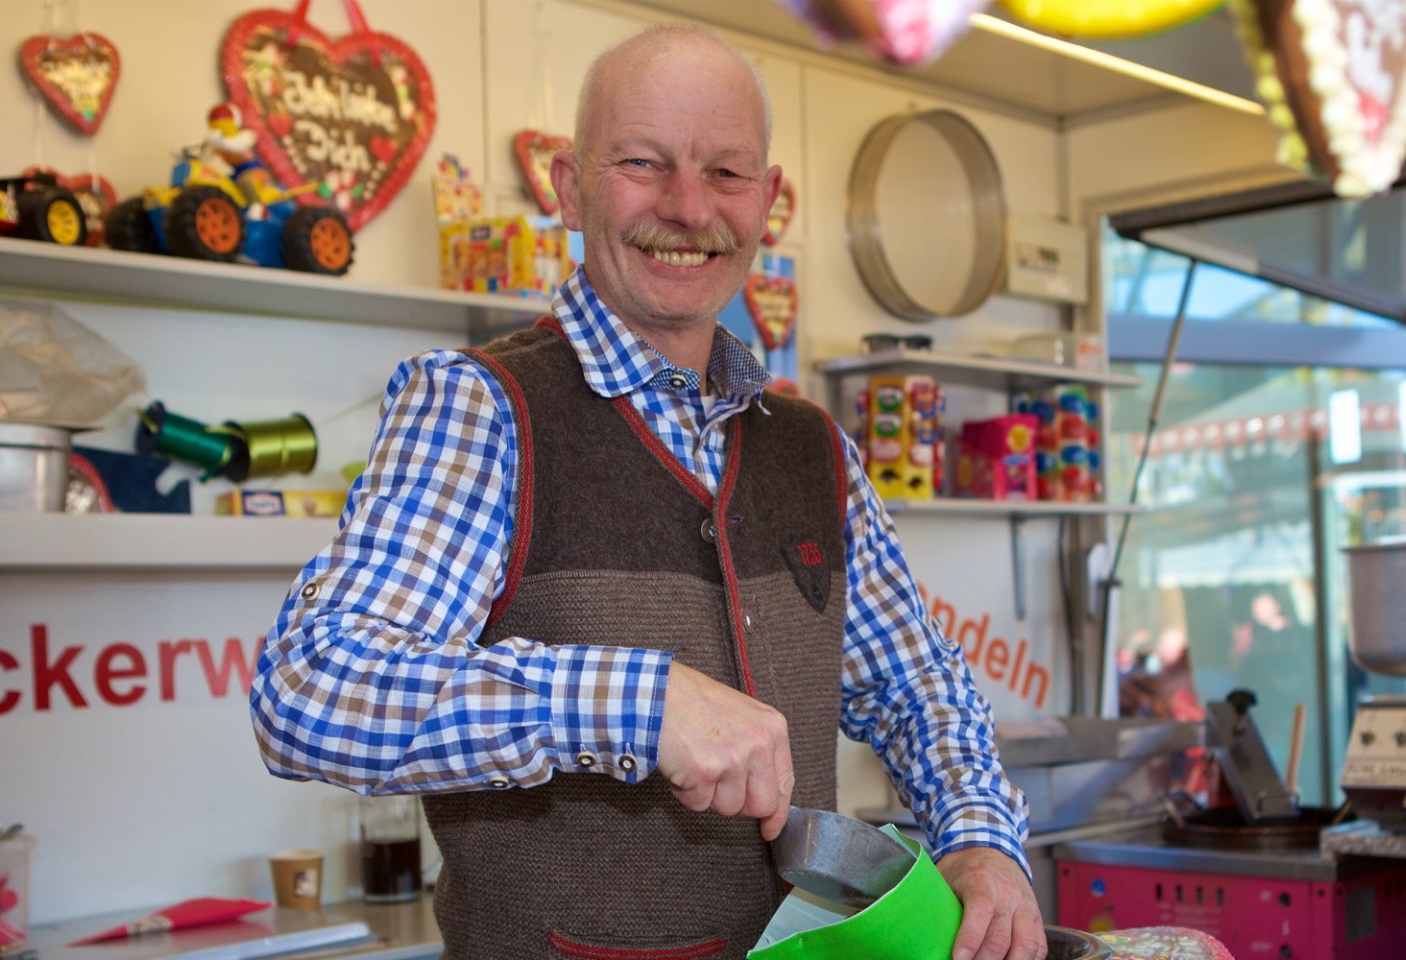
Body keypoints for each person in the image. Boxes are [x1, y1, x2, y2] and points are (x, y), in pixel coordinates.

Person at [248, 23, 1043, 960]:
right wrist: (639, 703)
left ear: (769, 201)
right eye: (643, 162)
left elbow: (919, 690)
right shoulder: (481, 408)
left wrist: (982, 841)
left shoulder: (813, 449)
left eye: (727, 173)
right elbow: (310, 689)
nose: (687, 207)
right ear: (568, 187)